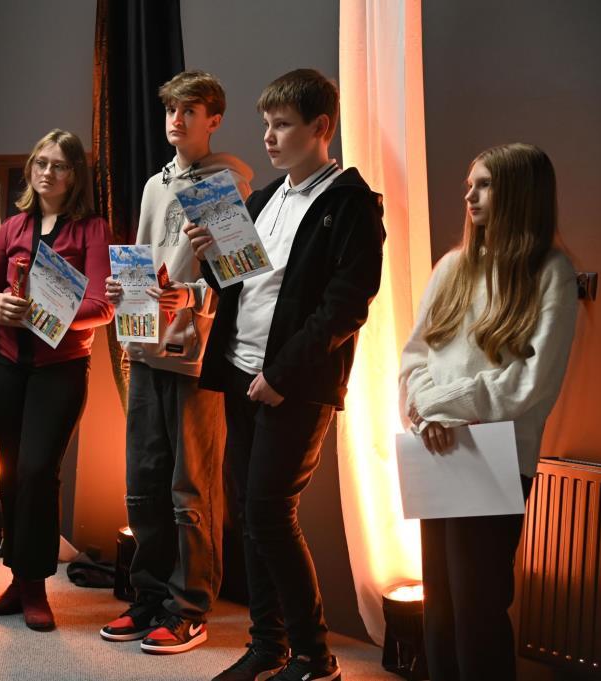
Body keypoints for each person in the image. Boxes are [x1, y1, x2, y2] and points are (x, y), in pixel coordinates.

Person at [186, 69, 384, 681]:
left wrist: (283, 374)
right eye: (266, 125)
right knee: (250, 516)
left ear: (321, 127)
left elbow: (346, 305)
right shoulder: (266, 198)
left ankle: (314, 657)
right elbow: (241, 285)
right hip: (242, 374)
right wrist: (209, 256)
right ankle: (268, 646)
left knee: (271, 514)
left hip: (292, 385)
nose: (268, 137)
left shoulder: (352, 204)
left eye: (282, 125)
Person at [399, 143, 577, 681]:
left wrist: (440, 405)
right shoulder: (451, 267)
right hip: (436, 450)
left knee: (478, 608)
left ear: (520, 193)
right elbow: (415, 358)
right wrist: (423, 415)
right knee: (440, 608)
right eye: (469, 184)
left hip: (497, 456)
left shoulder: (550, 271)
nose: (469, 195)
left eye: (485, 184)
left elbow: (530, 383)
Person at [100, 70, 252, 655]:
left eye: (190, 110)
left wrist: (188, 296)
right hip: (145, 349)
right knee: (143, 483)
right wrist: (124, 294)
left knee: (193, 488)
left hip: (197, 359)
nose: (177, 119)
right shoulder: (152, 185)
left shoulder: (227, 185)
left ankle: (189, 608)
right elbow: (143, 262)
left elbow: (240, 279)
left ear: (214, 120)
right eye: (171, 109)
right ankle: (148, 598)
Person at [0, 129, 112, 631]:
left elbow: (103, 306)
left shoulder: (92, 229)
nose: (47, 172)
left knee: (37, 471)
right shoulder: (12, 227)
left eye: (59, 165)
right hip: (5, 362)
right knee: (10, 472)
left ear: (75, 175)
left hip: (60, 368)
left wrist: (49, 311)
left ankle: (35, 585)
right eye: (41, 162)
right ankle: (18, 578)